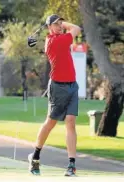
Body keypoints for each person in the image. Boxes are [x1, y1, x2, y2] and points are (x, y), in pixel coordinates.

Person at [28, 14, 81, 177]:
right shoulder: (55, 42)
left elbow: (74, 30)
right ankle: (35, 156)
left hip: (72, 85)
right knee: (50, 123)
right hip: (58, 88)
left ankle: (71, 164)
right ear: (50, 28)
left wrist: (57, 23)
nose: (60, 26)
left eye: (61, 24)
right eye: (56, 24)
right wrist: (64, 24)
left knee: (70, 122)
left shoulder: (60, 37)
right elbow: (77, 29)